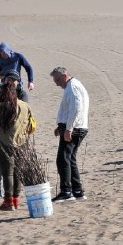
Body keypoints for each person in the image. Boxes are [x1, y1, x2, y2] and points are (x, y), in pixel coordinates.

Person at [50, 67, 90, 202]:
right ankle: (77, 190)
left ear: (64, 76)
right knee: (70, 158)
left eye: (57, 80)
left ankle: (66, 191)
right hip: (73, 127)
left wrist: (69, 129)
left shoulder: (73, 87)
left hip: (75, 128)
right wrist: (60, 126)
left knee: (63, 159)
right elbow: (69, 110)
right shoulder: (72, 86)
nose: (56, 84)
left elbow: (76, 109)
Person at [0, 79, 33, 211]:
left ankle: (8, 201)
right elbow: (30, 124)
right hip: (22, 142)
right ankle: (16, 200)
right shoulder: (25, 105)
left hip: (5, 142)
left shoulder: (0, 106)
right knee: (18, 171)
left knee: (7, 172)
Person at [0, 69, 25, 199]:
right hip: (11, 138)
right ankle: (0, 190)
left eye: (13, 80)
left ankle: (11, 198)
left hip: (9, 139)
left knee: (10, 170)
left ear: (18, 82)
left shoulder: (22, 96)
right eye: (8, 80)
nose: (10, 82)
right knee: (0, 165)